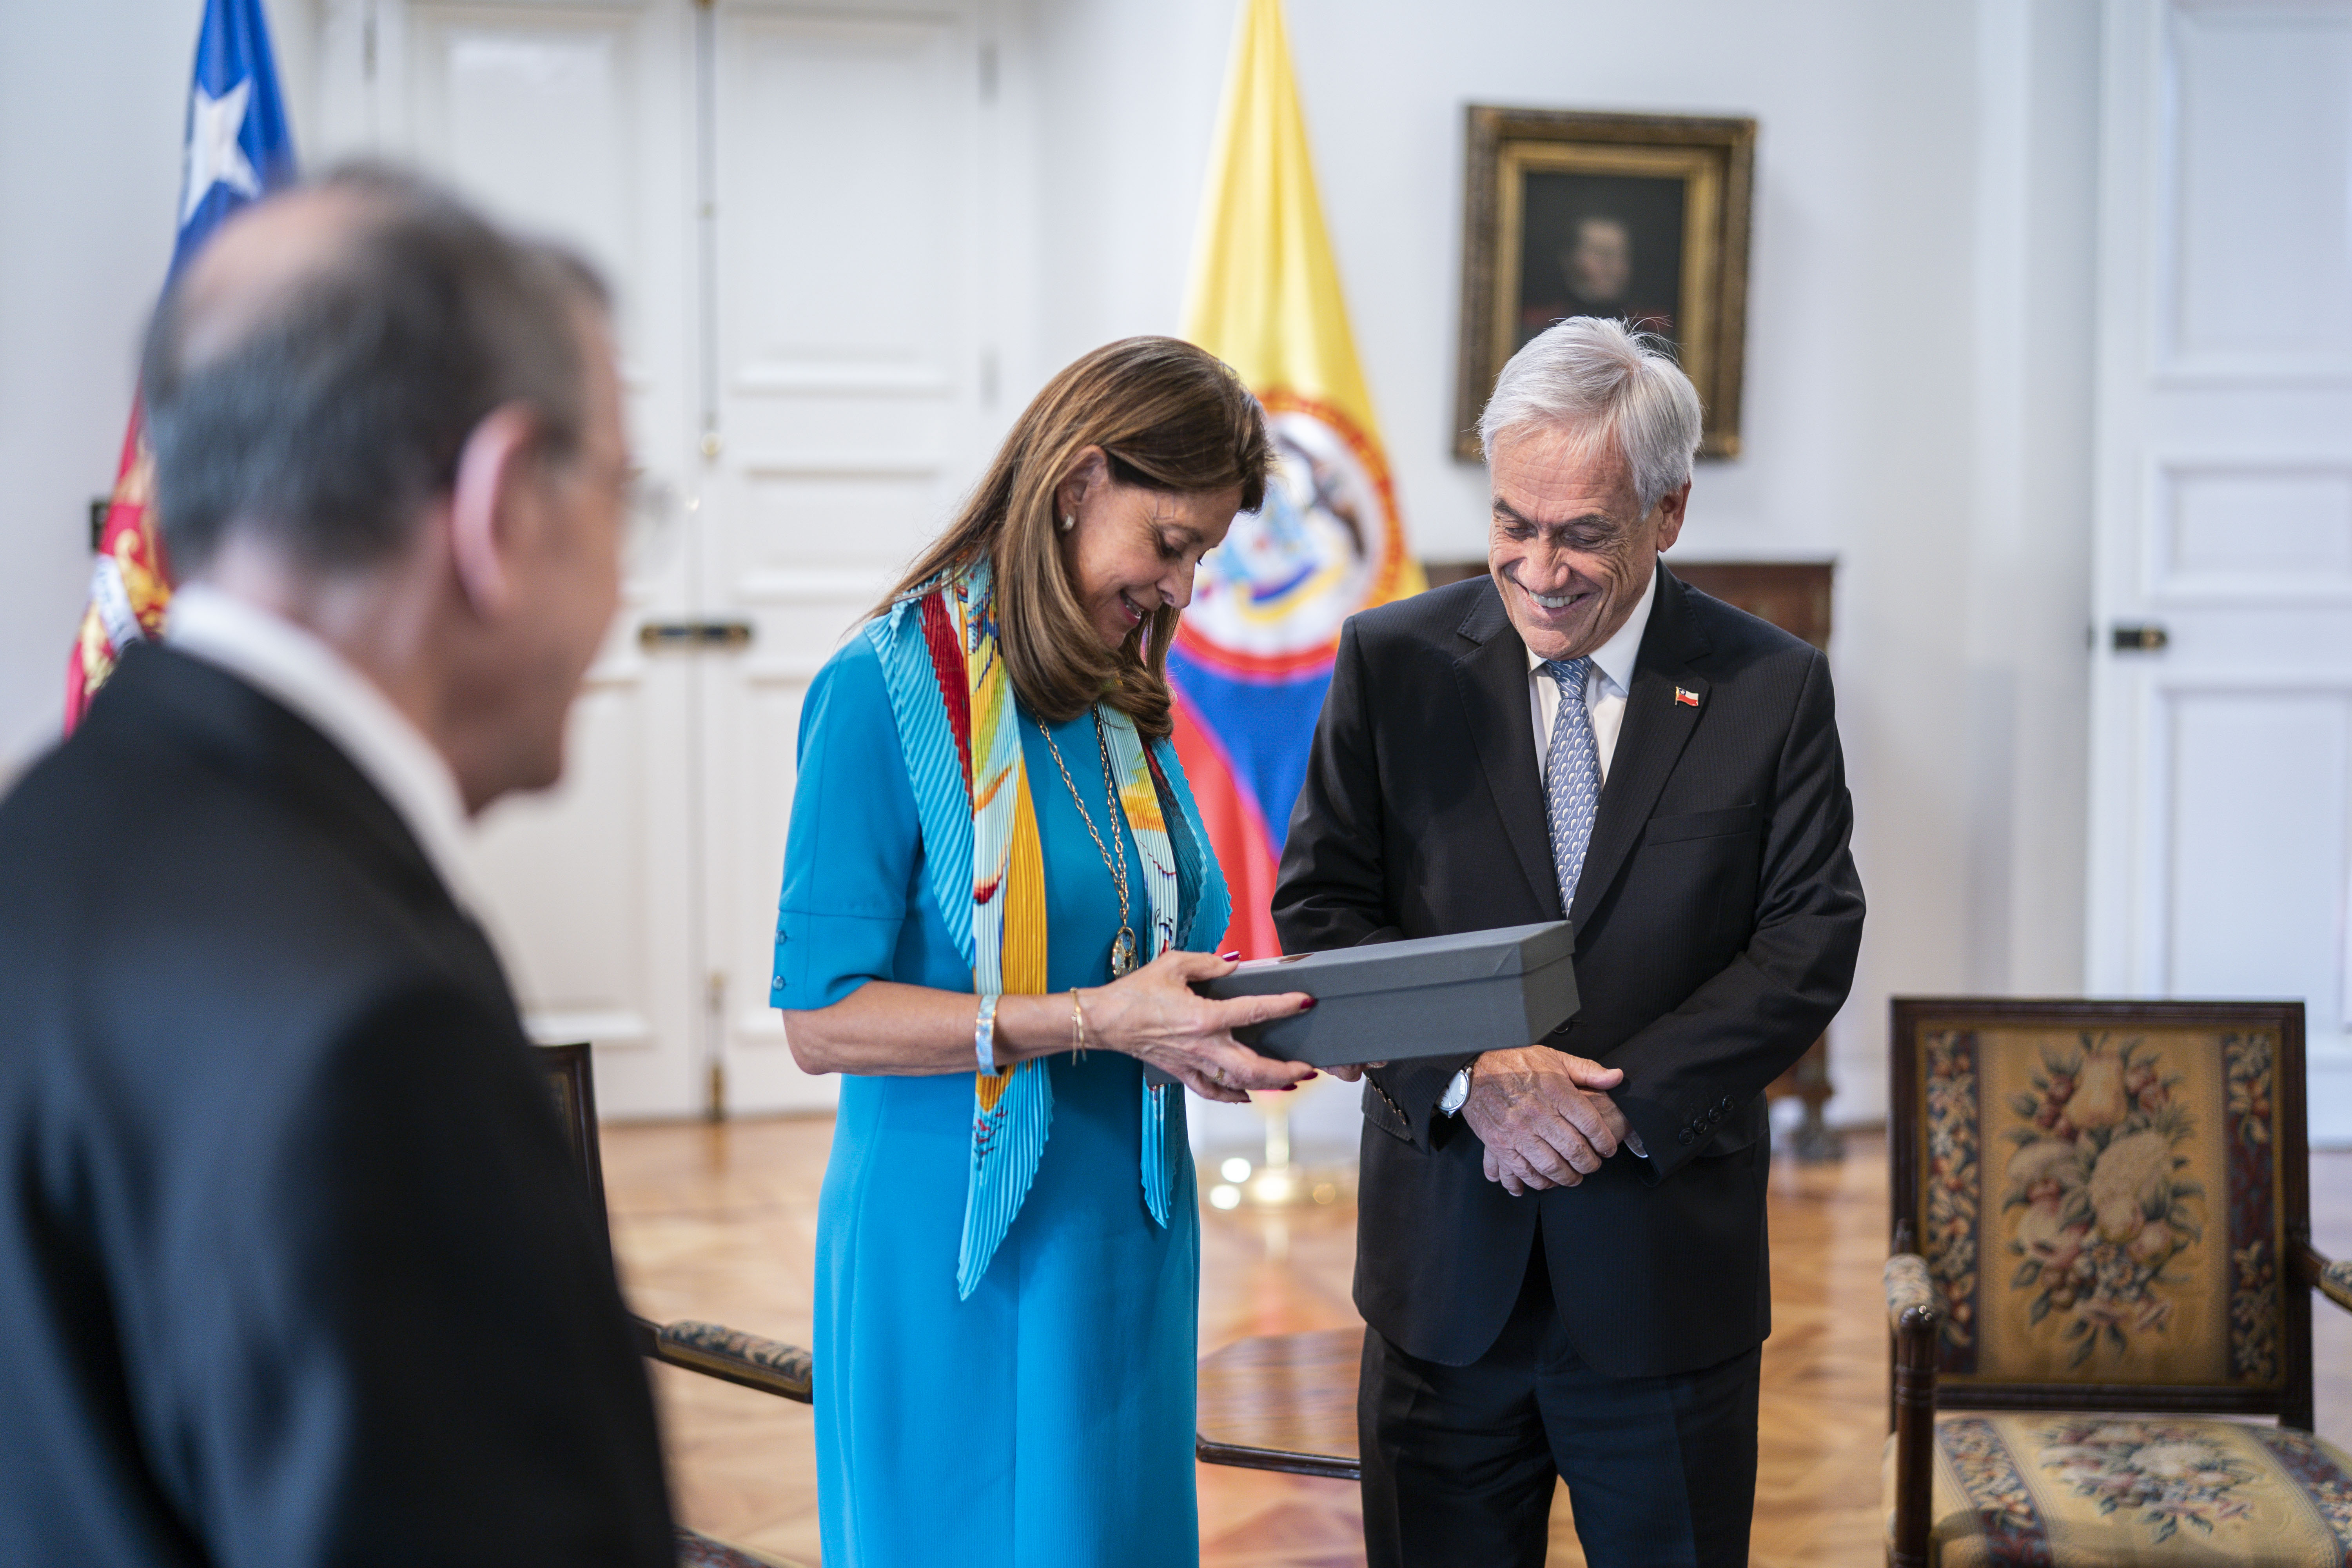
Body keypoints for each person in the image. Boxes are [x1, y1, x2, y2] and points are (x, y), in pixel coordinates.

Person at [0, 168, 674, 1566]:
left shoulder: (43, 841)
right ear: (501, 506)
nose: (626, 582)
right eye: (622, 496)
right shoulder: (376, 1029)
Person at [1275, 316, 1865, 1568]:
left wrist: (1618, 1103)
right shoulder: (1394, 665)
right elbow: (1325, 911)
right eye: (1512, 524)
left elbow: (1809, 936)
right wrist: (1473, 1075)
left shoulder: (1771, 685)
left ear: (1669, 512)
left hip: (1663, 1282)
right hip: (1445, 1279)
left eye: (1582, 533)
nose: (1538, 569)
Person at [772, 336, 1315, 1568]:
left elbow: (1132, 949)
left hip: (1124, 1234)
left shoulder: (1117, 693)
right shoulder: (882, 688)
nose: (1181, 588)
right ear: (1076, 484)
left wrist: (1200, 1033)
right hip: (954, 1245)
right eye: (1169, 545)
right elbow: (820, 1021)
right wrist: (1091, 1020)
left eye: (1203, 560)